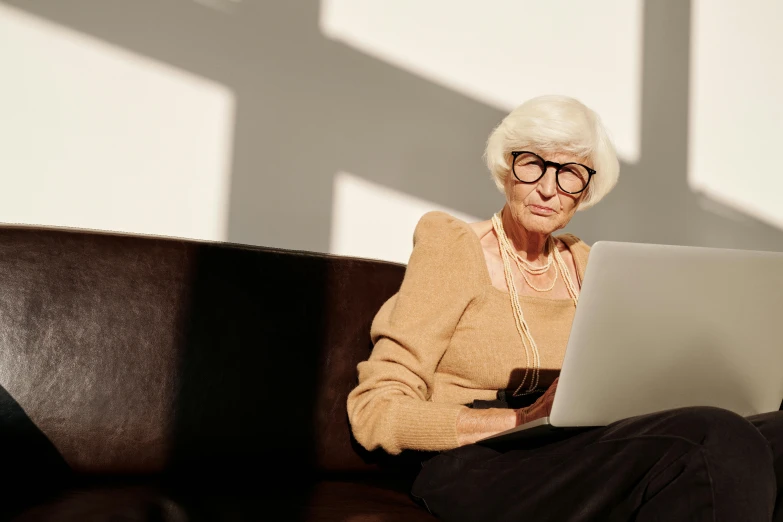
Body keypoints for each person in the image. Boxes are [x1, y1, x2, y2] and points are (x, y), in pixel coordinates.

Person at [346, 95, 783, 521]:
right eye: (533, 163)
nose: (548, 188)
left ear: (586, 189)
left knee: (773, 433)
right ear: (506, 168)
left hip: (571, 446)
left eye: (570, 173)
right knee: (715, 438)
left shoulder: (590, 265)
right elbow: (376, 410)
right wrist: (518, 418)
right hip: (476, 459)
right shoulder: (455, 249)